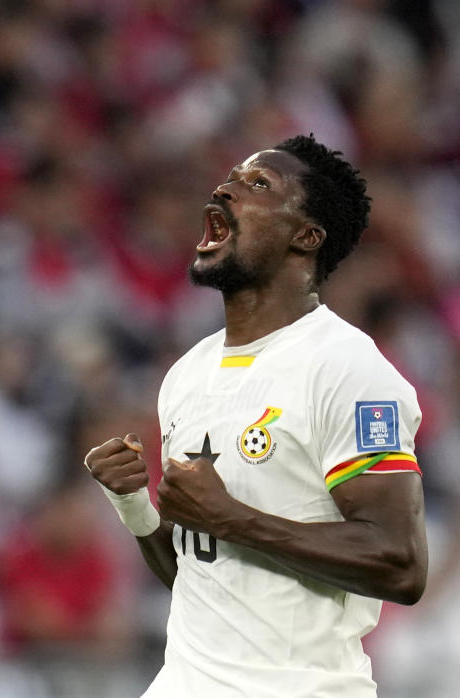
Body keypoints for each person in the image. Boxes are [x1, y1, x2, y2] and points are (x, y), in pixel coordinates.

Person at [84, 134, 427, 697]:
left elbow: (401, 564)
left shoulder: (349, 370)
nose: (225, 188)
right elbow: (200, 575)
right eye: (231, 178)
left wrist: (233, 518)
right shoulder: (188, 374)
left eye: (258, 185)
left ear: (306, 236)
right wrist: (135, 507)